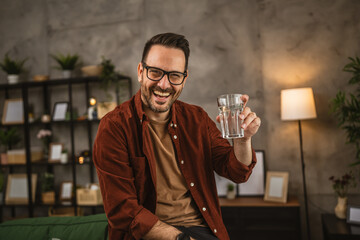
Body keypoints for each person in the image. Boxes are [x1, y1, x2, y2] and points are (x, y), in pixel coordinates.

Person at [93, 33, 261, 240]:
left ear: (184, 79)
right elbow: (123, 210)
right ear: (140, 72)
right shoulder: (114, 127)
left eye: (174, 76)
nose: (164, 85)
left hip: (203, 231)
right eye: (155, 72)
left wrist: (243, 140)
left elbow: (236, 172)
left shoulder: (197, 118)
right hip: (148, 236)